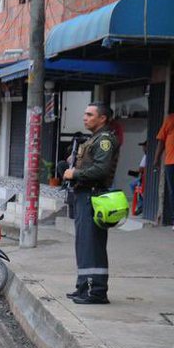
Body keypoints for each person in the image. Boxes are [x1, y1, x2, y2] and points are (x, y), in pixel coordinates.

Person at [62, 102, 120, 305]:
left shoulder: (105, 140)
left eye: (89, 114)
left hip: (93, 196)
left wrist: (75, 173)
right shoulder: (93, 139)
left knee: (91, 244)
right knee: (84, 244)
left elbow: (101, 170)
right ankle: (84, 287)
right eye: (85, 114)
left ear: (102, 118)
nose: (84, 117)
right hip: (83, 195)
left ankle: (96, 291)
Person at [158, 113, 174, 229]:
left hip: (170, 162)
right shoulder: (170, 119)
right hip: (171, 162)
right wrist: (156, 158)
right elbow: (161, 140)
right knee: (172, 192)